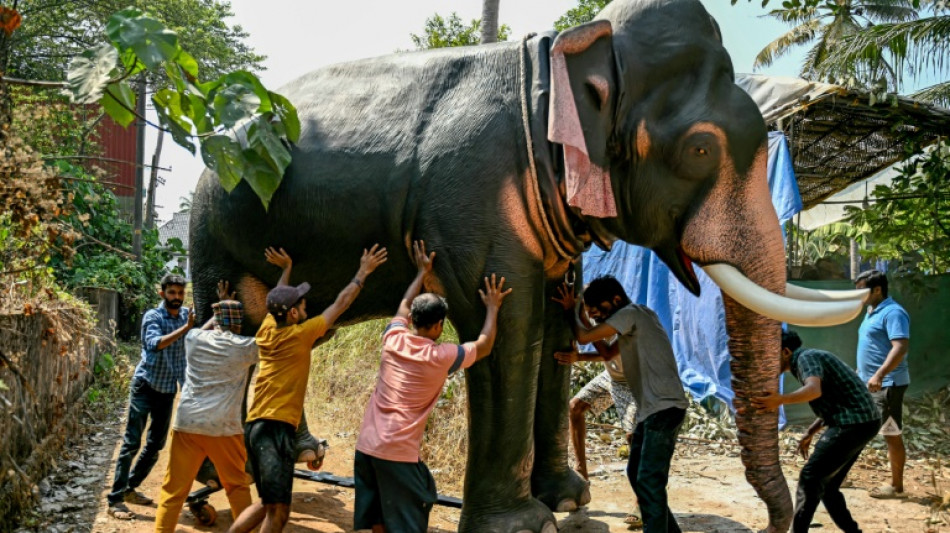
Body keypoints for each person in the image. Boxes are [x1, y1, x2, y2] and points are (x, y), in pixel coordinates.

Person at [353, 240, 511, 533]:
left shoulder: (393, 339)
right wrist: (493, 307)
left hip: (367, 447)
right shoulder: (441, 356)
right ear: (439, 325)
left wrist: (420, 274)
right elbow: (485, 345)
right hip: (397, 454)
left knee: (378, 521)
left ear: (412, 320)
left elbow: (402, 305)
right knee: (410, 520)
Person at [229, 244, 388, 533]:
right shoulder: (300, 336)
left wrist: (286, 270)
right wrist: (363, 272)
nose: (306, 306)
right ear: (291, 314)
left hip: (256, 427)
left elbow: (274, 299)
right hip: (276, 431)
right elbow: (341, 303)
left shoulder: (267, 327)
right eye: (301, 304)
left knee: (267, 504)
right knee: (278, 513)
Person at [154, 248, 290, 531]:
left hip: (187, 423)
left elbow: (204, 329)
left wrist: (220, 306)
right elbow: (273, 321)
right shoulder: (244, 348)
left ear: (216, 322)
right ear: (237, 324)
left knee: (172, 491)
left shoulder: (192, 338)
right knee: (237, 486)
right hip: (224, 429)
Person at [554, 275, 687, 533]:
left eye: (599, 311)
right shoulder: (631, 322)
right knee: (636, 472)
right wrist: (581, 340)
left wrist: (574, 309)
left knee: (648, 481)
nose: (597, 317)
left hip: (664, 409)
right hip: (653, 411)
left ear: (616, 300)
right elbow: (605, 352)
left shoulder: (631, 313)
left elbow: (584, 336)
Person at [752, 330, 881, 533]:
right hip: (863, 423)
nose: (766, 362)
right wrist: (811, 431)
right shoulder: (809, 358)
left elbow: (814, 391)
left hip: (853, 424)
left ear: (785, 351)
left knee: (811, 477)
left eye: (769, 355)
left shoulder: (806, 358)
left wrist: (779, 399)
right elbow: (835, 398)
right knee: (827, 486)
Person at [108, 273, 194, 520]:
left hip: (167, 390)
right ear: (162, 294)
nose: (176, 298)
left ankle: (129, 488)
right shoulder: (153, 316)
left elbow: (197, 336)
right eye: (172, 293)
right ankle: (114, 500)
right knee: (132, 443)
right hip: (145, 386)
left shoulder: (187, 316)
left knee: (156, 445)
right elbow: (154, 343)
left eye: (180, 293)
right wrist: (186, 328)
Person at [552, 300, 641, 529]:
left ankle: (643, 500)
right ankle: (582, 472)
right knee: (575, 408)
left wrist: (578, 354)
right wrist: (574, 312)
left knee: (634, 436)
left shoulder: (627, 322)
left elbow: (608, 353)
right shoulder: (593, 316)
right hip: (610, 377)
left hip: (632, 382)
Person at [854, 269, 910, 499]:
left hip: (887, 385)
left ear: (877, 290)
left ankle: (897, 487)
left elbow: (900, 347)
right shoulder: (871, 310)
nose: (858, 295)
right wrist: (862, 371)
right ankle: (839, 473)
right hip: (869, 382)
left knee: (890, 433)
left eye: (862, 291)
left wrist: (878, 375)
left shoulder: (894, 313)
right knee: (854, 427)